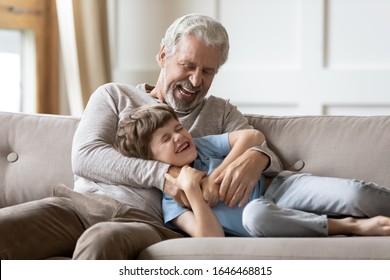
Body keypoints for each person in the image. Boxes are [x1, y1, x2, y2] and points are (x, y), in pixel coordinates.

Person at [0, 14, 281, 259]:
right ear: (162, 56)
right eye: (187, 65)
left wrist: (257, 158)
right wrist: (166, 175)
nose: (196, 81)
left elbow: (272, 159)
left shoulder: (219, 112)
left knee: (101, 241)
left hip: (146, 224)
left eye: (208, 72)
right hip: (80, 207)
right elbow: (86, 157)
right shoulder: (114, 96)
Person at [115, 103, 390, 238]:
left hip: (282, 188)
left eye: (178, 128)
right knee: (256, 214)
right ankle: (350, 226)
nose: (178, 137)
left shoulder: (202, 147)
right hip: (264, 219)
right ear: (151, 159)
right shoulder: (171, 204)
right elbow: (210, 237)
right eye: (165, 139)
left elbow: (250, 136)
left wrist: (217, 175)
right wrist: (192, 191)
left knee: (356, 194)